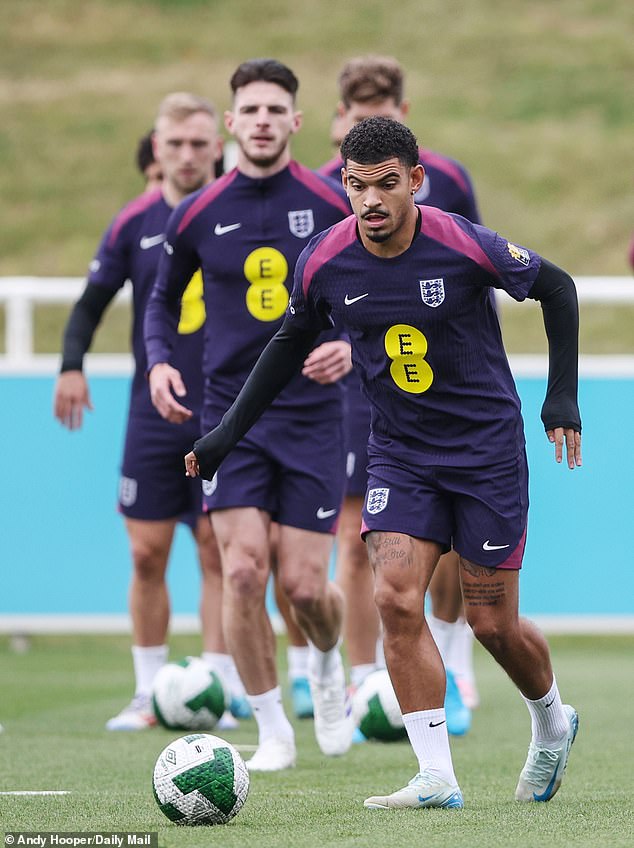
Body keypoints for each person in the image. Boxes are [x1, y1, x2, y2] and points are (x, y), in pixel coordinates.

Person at [184, 116, 582, 809]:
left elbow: (558, 287)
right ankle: (436, 776)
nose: (370, 200)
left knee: (492, 625)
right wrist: (225, 433)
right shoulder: (326, 259)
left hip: (485, 452)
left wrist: (562, 400)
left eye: (386, 185)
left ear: (415, 182)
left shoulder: (462, 244)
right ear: (344, 182)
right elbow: (286, 344)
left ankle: (551, 719)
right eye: (356, 184)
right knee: (396, 597)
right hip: (399, 453)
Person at [144, 59, 353, 771]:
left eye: (276, 109)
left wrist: (351, 347)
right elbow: (163, 302)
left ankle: (327, 663)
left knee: (302, 586)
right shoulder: (197, 212)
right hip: (229, 419)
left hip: (313, 417)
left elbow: (372, 288)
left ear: (296, 121)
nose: (262, 120)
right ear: (231, 123)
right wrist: (160, 359)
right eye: (250, 109)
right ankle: (272, 732)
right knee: (240, 572)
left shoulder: (332, 202)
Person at [54, 92, 250, 731]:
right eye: (176, 144)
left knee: (219, 552)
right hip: (152, 412)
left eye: (199, 144)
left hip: (225, 409)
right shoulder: (132, 223)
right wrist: (71, 365)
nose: (188, 155)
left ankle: (216, 687)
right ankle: (147, 692)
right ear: (156, 147)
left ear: (215, 146)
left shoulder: (242, 213)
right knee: (146, 554)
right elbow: (90, 303)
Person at [319, 55, 481, 731]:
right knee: (359, 538)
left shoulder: (446, 180)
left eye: (382, 111)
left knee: (455, 538)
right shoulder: (328, 187)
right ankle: (364, 681)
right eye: (358, 116)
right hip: (361, 385)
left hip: (445, 383)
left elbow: (479, 265)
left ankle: (452, 659)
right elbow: (315, 286)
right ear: (339, 123)